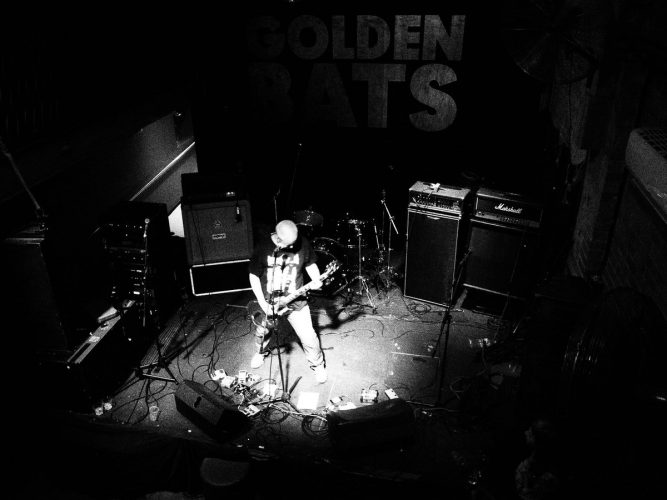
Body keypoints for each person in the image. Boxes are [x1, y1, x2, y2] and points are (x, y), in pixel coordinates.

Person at [248, 219, 327, 384]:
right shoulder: (263, 246)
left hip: (296, 299)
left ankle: (318, 365)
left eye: (294, 243)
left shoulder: (302, 243)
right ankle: (260, 352)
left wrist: (316, 279)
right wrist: (262, 302)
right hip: (269, 301)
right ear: (278, 238)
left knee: (309, 337)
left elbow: (310, 264)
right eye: (288, 244)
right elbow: (253, 276)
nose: (292, 247)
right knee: (262, 332)